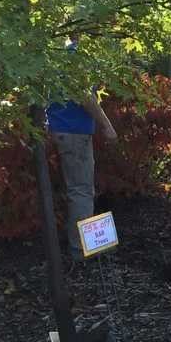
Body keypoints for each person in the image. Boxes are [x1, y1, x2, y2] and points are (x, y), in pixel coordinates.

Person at [46, 35, 118, 257]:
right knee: (81, 190)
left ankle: (70, 238)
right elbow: (86, 97)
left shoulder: (57, 55)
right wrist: (107, 125)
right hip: (75, 132)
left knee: (69, 189)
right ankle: (82, 249)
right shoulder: (81, 57)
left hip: (56, 127)